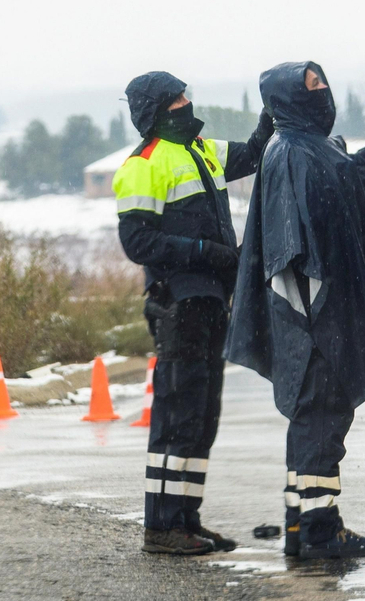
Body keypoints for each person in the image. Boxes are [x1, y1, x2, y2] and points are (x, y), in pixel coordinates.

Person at [224, 62, 365, 560]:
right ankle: (320, 530)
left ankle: (299, 525)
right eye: (311, 85)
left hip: (323, 314)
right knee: (321, 417)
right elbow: (290, 248)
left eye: (322, 81)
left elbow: (362, 184)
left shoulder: (318, 149)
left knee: (315, 418)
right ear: (287, 98)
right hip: (312, 318)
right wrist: (313, 319)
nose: (322, 90)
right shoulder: (288, 153)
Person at [113, 70, 275, 557]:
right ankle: (161, 527)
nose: (188, 102)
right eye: (178, 97)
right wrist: (206, 250)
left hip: (208, 301)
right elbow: (137, 241)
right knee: (177, 413)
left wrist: (270, 120)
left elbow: (249, 155)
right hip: (178, 301)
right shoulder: (143, 163)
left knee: (202, 415)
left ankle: (186, 519)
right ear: (160, 110)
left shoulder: (201, 149)